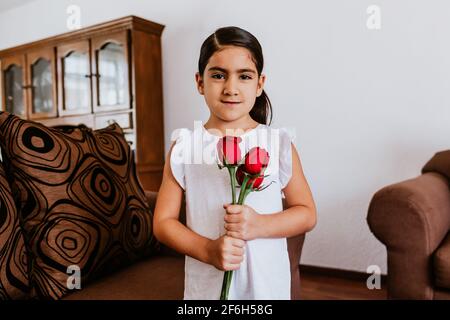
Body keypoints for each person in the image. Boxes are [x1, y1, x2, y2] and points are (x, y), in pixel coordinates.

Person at [153, 26, 317, 300]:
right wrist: (207, 250)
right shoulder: (184, 146)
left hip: (266, 287)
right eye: (218, 75)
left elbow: (307, 213)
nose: (231, 88)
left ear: (259, 84)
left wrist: (260, 225)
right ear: (200, 82)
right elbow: (163, 222)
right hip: (208, 287)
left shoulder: (278, 144)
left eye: (244, 76)